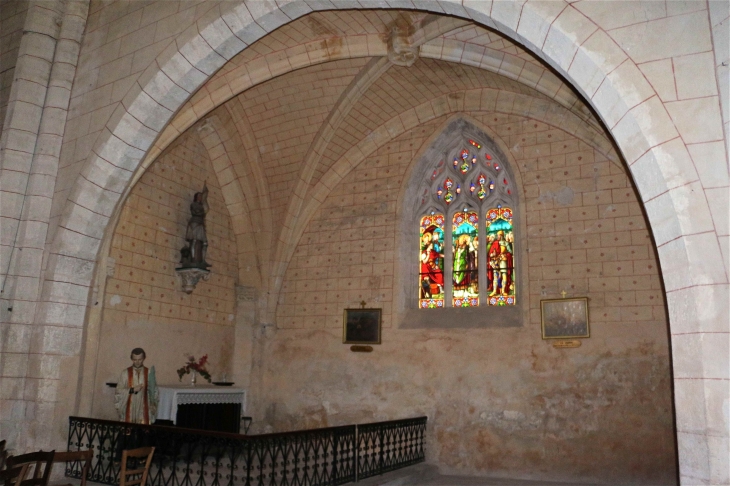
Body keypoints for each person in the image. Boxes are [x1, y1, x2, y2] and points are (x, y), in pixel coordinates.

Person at [115, 348, 158, 424]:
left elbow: (154, 391)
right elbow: (119, 391)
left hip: (144, 407)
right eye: (135, 360)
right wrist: (132, 390)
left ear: (144, 358)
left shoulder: (148, 372)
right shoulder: (125, 373)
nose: (137, 362)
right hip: (130, 406)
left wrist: (153, 403)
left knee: (142, 431)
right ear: (131, 358)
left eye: (140, 359)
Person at [185, 182, 209, 267]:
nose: (200, 197)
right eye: (199, 196)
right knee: (194, 241)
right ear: (196, 197)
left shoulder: (202, 205)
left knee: (205, 243)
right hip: (195, 223)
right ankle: (193, 259)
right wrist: (200, 212)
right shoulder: (193, 204)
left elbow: (203, 212)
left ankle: (202, 260)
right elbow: (196, 212)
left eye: (201, 196)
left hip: (200, 224)